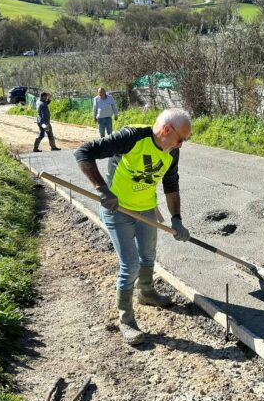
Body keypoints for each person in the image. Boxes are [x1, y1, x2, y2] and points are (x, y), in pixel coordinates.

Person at [74, 108, 191, 345]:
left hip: (146, 209)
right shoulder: (131, 138)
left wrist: (176, 219)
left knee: (148, 255)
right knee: (130, 264)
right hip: (118, 211)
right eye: (181, 139)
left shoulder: (171, 152)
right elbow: (84, 152)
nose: (181, 146)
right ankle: (126, 320)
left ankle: (146, 293)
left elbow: (171, 185)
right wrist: (103, 190)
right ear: (167, 130)